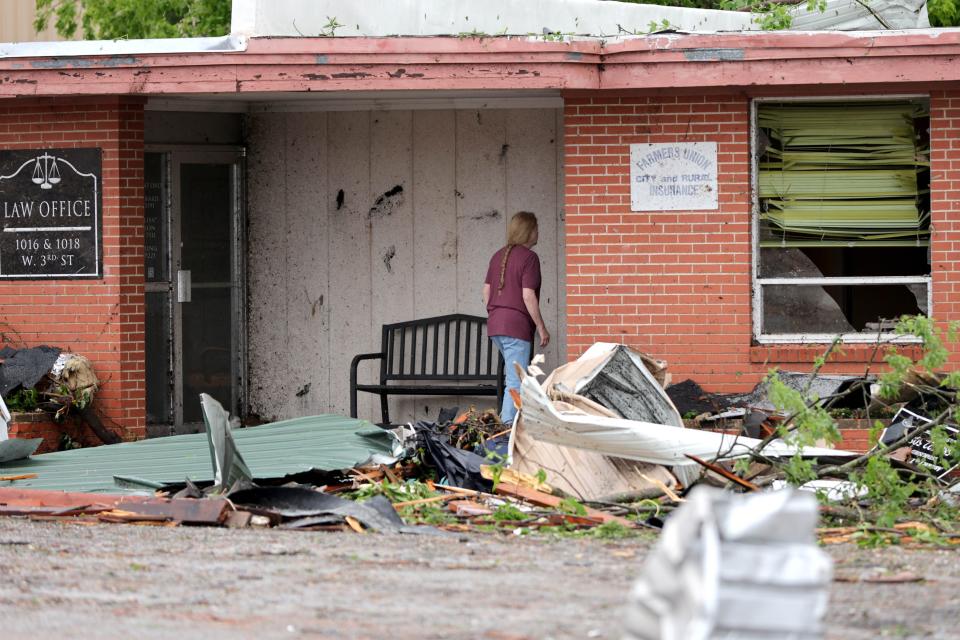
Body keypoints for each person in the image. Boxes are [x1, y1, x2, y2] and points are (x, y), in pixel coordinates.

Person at [482, 211, 550, 425]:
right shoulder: (530, 258)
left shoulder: (497, 255)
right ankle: (507, 429)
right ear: (529, 231)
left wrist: (497, 314)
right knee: (516, 379)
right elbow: (528, 295)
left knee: (513, 377)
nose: (538, 232)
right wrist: (541, 327)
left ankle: (513, 424)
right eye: (536, 228)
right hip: (516, 328)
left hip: (496, 327)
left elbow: (486, 292)